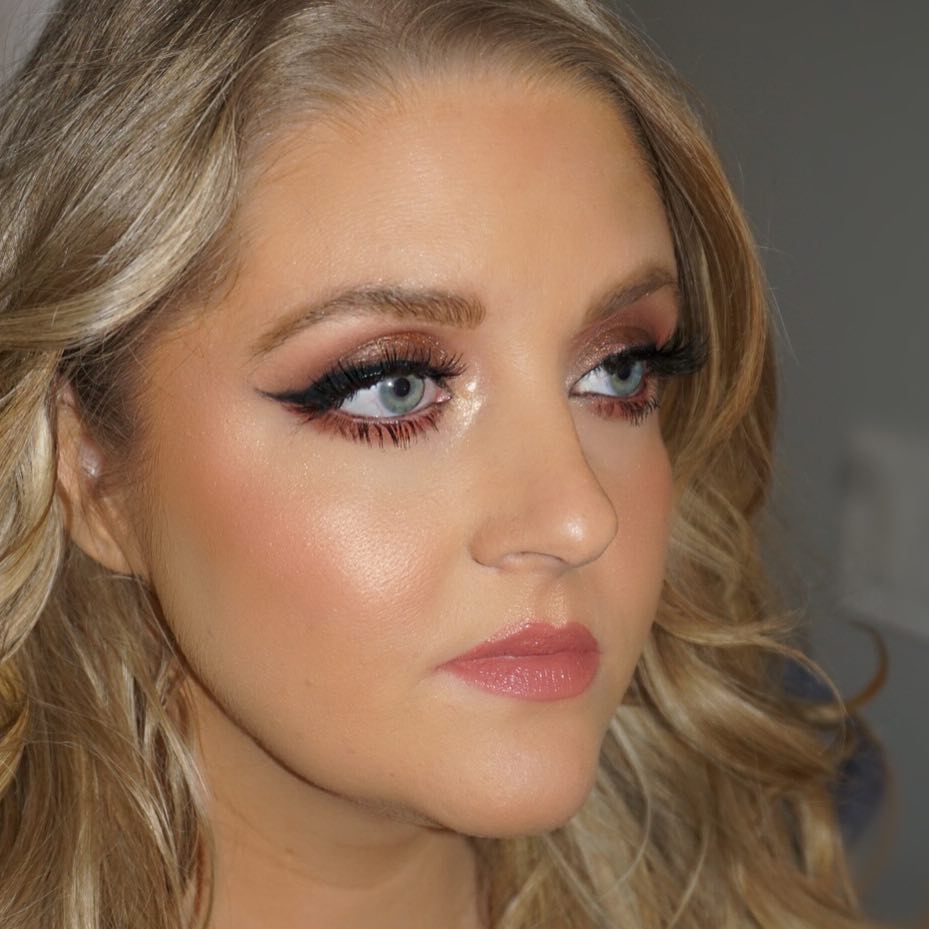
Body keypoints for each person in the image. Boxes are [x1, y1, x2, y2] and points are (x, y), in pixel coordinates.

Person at [0, 1, 877, 927]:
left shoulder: (764, 846)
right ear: (89, 466)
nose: (580, 517)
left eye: (617, 370)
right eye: (394, 387)